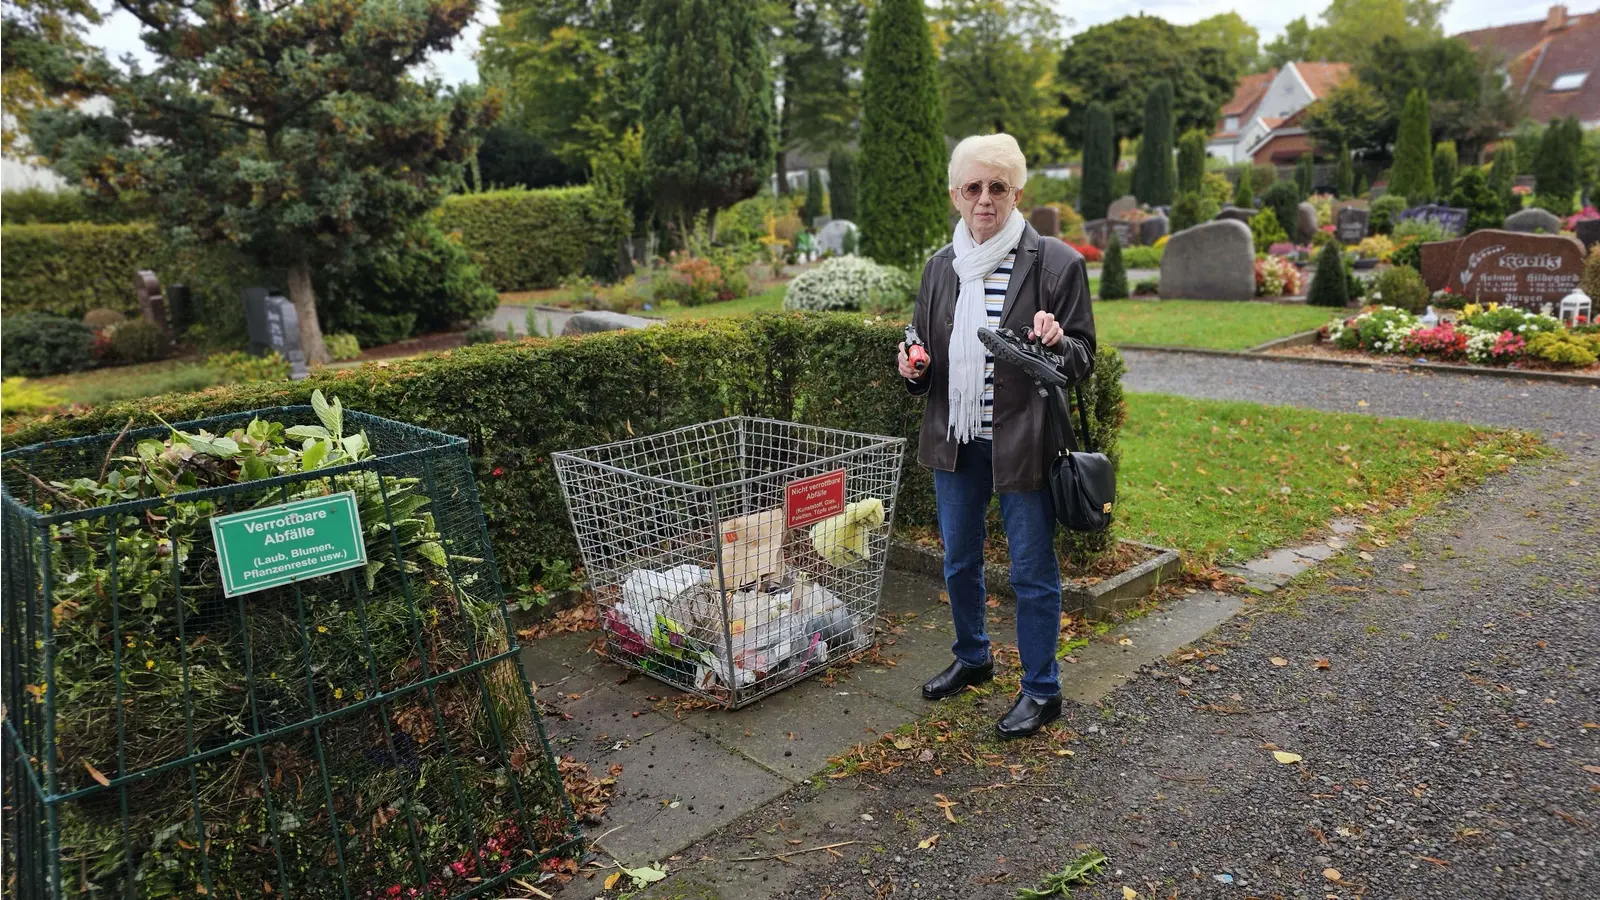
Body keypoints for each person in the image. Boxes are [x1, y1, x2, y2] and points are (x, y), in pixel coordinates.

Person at [895, 133, 1096, 738]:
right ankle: (973, 656)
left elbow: (1083, 358)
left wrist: (1058, 342)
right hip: (956, 439)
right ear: (955, 195)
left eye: (998, 187)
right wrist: (914, 366)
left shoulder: (1056, 263)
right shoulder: (942, 266)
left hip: (1024, 443)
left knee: (1031, 571)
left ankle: (1041, 689)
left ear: (1016, 193)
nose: (985, 198)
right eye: (973, 187)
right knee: (959, 561)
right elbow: (920, 340)